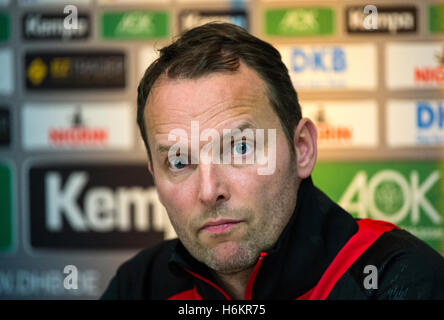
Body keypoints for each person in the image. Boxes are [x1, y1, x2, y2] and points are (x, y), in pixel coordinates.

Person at [101, 22, 444, 300]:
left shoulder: (395, 279)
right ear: (154, 178)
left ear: (302, 149)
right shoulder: (139, 285)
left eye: (239, 148)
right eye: (178, 161)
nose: (209, 191)